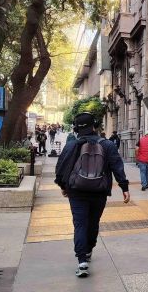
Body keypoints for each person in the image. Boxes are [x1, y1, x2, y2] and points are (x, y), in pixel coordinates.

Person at [55, 112, 130, 278]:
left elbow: (60, 168)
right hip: (99, 190)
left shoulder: (72, 145)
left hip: (77, 191)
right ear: (95, 126)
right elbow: (117, 166)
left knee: (80, 224)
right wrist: (124, 187)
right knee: (93, 222)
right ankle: (89, 249)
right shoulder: (107, 145)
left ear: (76, 127)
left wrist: (63, 185)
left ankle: (82, 261)